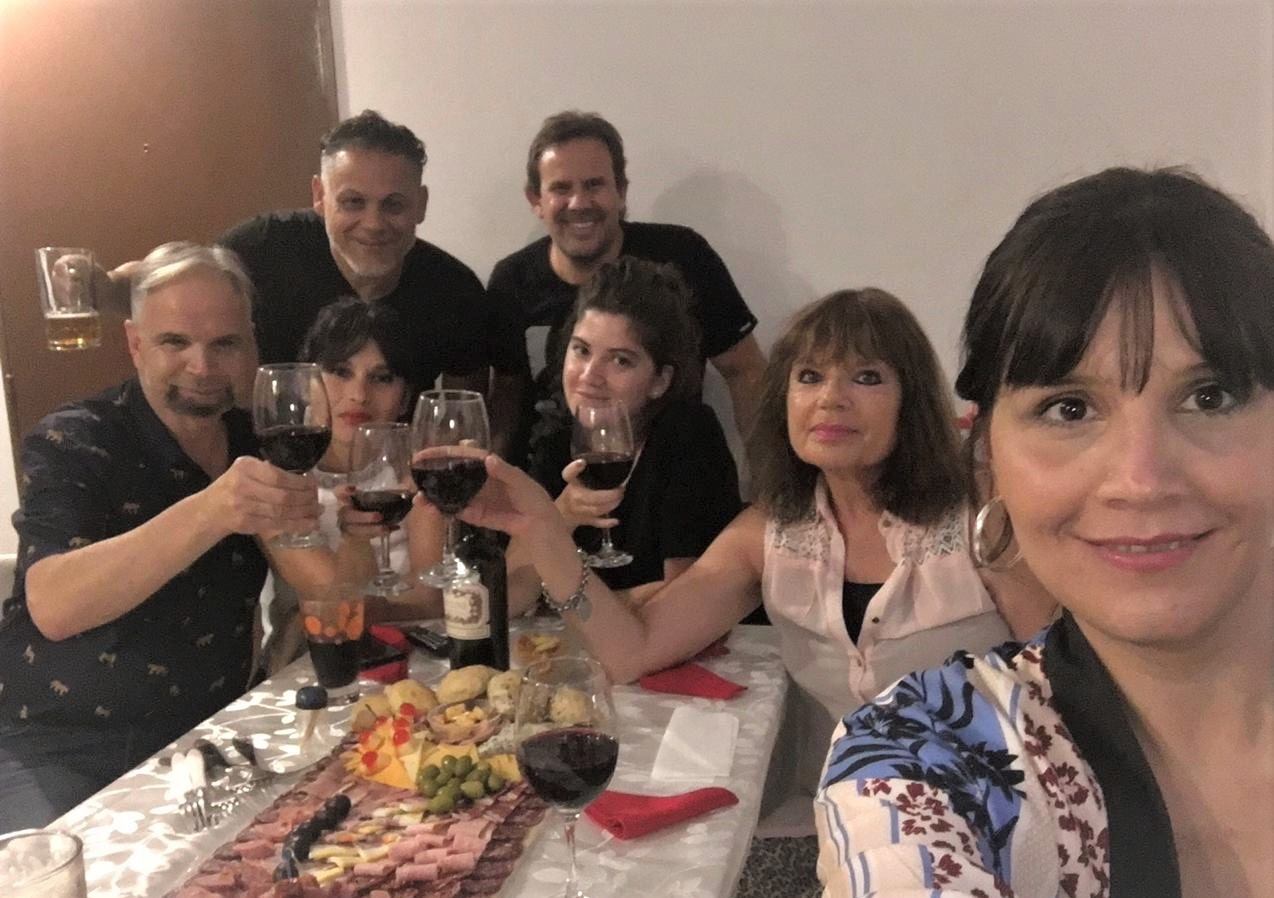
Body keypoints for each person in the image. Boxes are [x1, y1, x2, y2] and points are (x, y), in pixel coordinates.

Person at [436, 288, 1054, 847]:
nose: (830, 398)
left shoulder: (983, 518)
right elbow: (630, 651)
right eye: (809, 377)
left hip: (996, 824)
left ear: (910, 402)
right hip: (834, 825)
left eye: (866, 377)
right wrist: (543, 531)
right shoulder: (770, 531)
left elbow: (1061, 689)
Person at [814, 167, 1274, 897]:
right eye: (1069, 409)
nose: (1141, 480)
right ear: (989, 456)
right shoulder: (927, 759)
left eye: (1208, 397)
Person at [0, 241, 318, 830]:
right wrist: (212, 510)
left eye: (225, 344)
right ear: (134, 343)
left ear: (251, 347)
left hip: (210, 735)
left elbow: (320, 581)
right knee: (50, 871)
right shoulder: (74, 438)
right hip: (59, 743)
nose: (202, 367)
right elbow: (53, 605)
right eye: (175, 342)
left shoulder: (259, 438)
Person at [110, 110, 529, 456]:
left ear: (420, 205)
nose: (373, 223)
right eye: (352, 202)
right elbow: (170, 286)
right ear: (319, 196)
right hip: (248, 466)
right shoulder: (261, 248)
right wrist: (100, 288)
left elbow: (461, 414)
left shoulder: (454, 291)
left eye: (394, 205)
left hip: (383, 485)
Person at [487, 110, 767, 460]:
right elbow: (507, 397)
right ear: (536, 200)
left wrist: (768, 481)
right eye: (561, 188)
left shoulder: (684, 257)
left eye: (594, 185)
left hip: (674, 473)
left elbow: (745, 371)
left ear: (621, 191)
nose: (579, 203)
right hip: (550, 480)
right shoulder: (512, 281)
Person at [512, 257, 741, 603]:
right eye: (581, 350)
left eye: (620, 360)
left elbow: (685, 596)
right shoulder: (557, 436)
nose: (589, 375)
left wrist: (567, 609)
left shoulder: (687, 435)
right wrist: (563, 514)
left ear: (660, 381)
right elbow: (510, 596)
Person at [259, 297, 444, 671]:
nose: (359, 394)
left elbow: (432, 600)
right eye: (340, 372)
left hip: (419, 657)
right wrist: (356, 540)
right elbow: (338, 610)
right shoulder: (275, 480)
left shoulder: (422, 468)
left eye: (382, 377)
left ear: (405, 397)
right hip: (309, 666)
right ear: (308, 385)